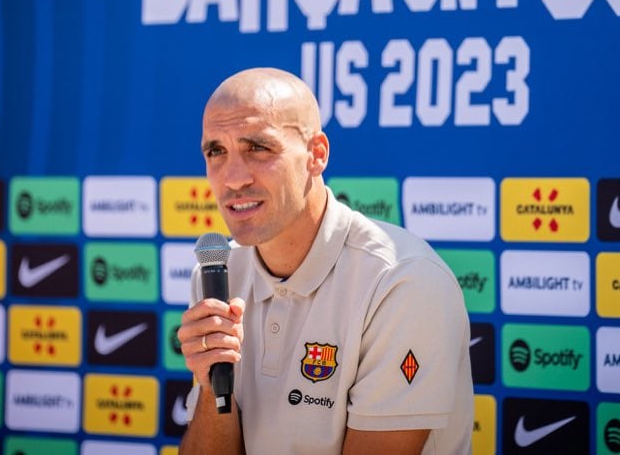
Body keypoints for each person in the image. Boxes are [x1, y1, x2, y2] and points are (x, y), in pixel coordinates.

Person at [178, 67, 473, 454]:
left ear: (316, 155)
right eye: (216, 151)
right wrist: (210, 384)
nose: (233, 178)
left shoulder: (403, 282)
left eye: (258, 148)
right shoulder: (218, 274)